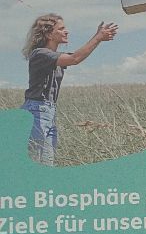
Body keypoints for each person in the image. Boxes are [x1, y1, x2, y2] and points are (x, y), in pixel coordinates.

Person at [20, 13, 118, 165]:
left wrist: (98, 37)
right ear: (48, 34)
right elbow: (75, 59)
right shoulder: (40, 54)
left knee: (46, 164)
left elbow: (75, 56)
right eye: (61, 29)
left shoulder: (53, 56)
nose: (66, 31)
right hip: (37, 112)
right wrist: (98, 37)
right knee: (36, 164)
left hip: (47, 112)